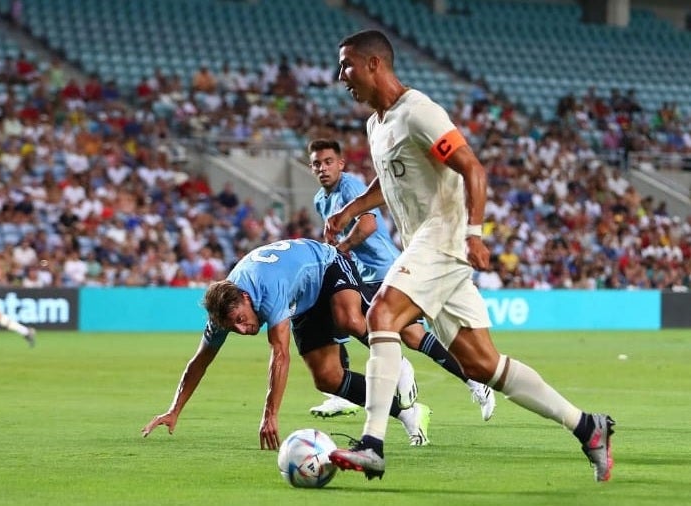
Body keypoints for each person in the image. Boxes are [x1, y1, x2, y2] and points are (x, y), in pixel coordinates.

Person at [325, 30, 614, 482]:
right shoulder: (376, 125)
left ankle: (372, 443)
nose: (339, 75)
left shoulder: (418, 112)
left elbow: (471, 167)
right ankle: (586, 426)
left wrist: (474, 234)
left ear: (374, 64)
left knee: (380, 314)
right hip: (426, 245)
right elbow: (390, 180)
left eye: (346, 65)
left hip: (444, 237)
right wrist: (350, 209)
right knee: (483, 364)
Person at [141, 238, 431, 448]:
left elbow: (280, 354)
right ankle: (407, 413)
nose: (242, 330)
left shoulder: (267, 289)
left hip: (328, 264)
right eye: (234, 327)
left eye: (241, 319)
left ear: (245, 298)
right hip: (304, 297)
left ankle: (400, 364)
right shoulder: (222, 313)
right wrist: (174, 409)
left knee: (351, 320)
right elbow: (199, 362)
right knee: (328, 379)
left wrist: (270, 415)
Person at [307, 138, 495, 421]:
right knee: (414, 335)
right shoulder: (321, 200)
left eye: (328, 162)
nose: (323, 168)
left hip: (383, 269)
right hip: (362, 273)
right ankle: (474, 379)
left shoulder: (350, 186)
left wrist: (341, 248)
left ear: (341, 164)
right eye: (317, 164)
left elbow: (368, 225)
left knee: (336, 310)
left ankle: (357, 387)